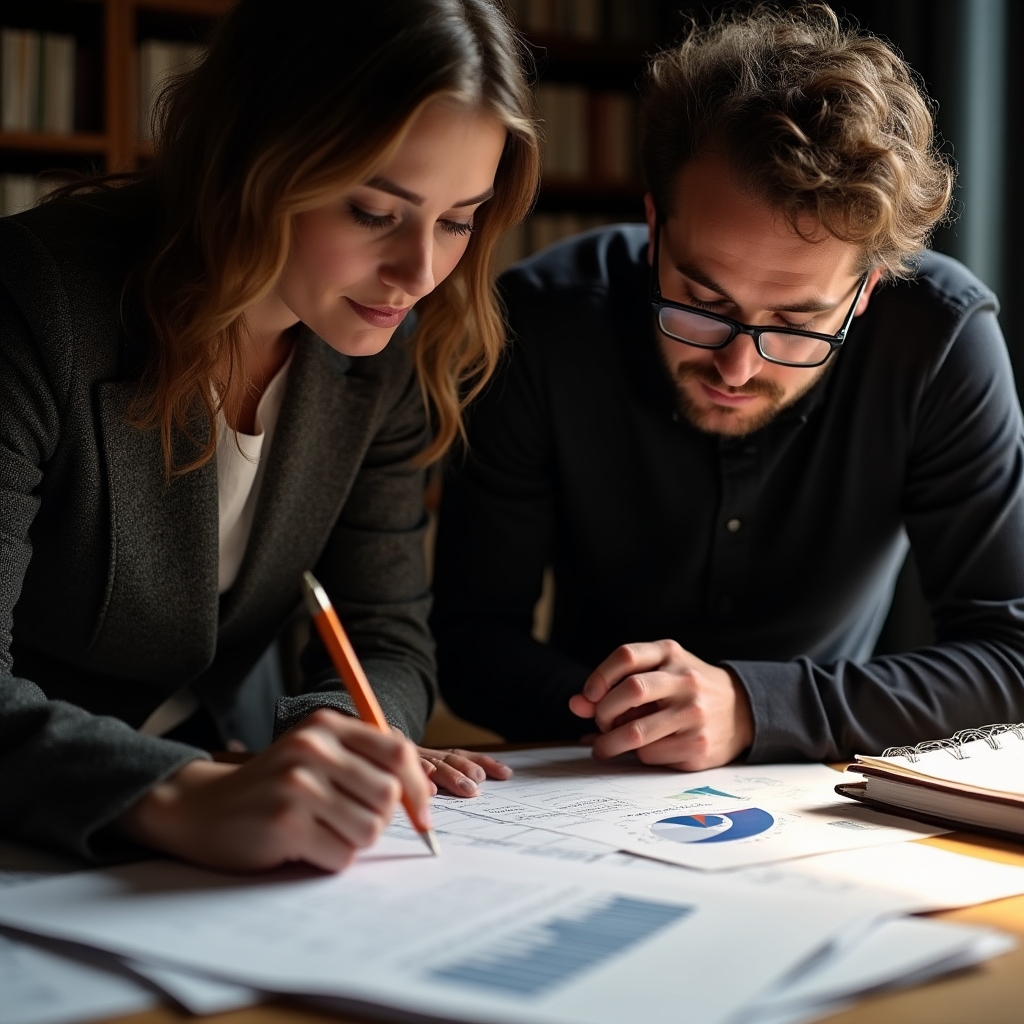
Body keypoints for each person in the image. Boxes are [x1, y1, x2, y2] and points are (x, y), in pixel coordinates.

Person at [0, 0, 538, 871]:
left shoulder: (384, 353)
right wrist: (175, 795)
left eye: (457, 220)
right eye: (374, 211)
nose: (420, 274)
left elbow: (386, 636)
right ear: (257, 160)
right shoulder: (34, 303)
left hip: (221, 791)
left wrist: (343, 738)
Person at [431, 5, 1024, 768]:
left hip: (822, 784)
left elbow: (1012, 658)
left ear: (865, 291)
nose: (737, 368)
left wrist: (753, 708)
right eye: (704, 304)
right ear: (655, 226)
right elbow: (470, 642)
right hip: (586, 764)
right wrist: (643, 716)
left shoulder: (939, 341)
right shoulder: (541, 325)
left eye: (797, 322)